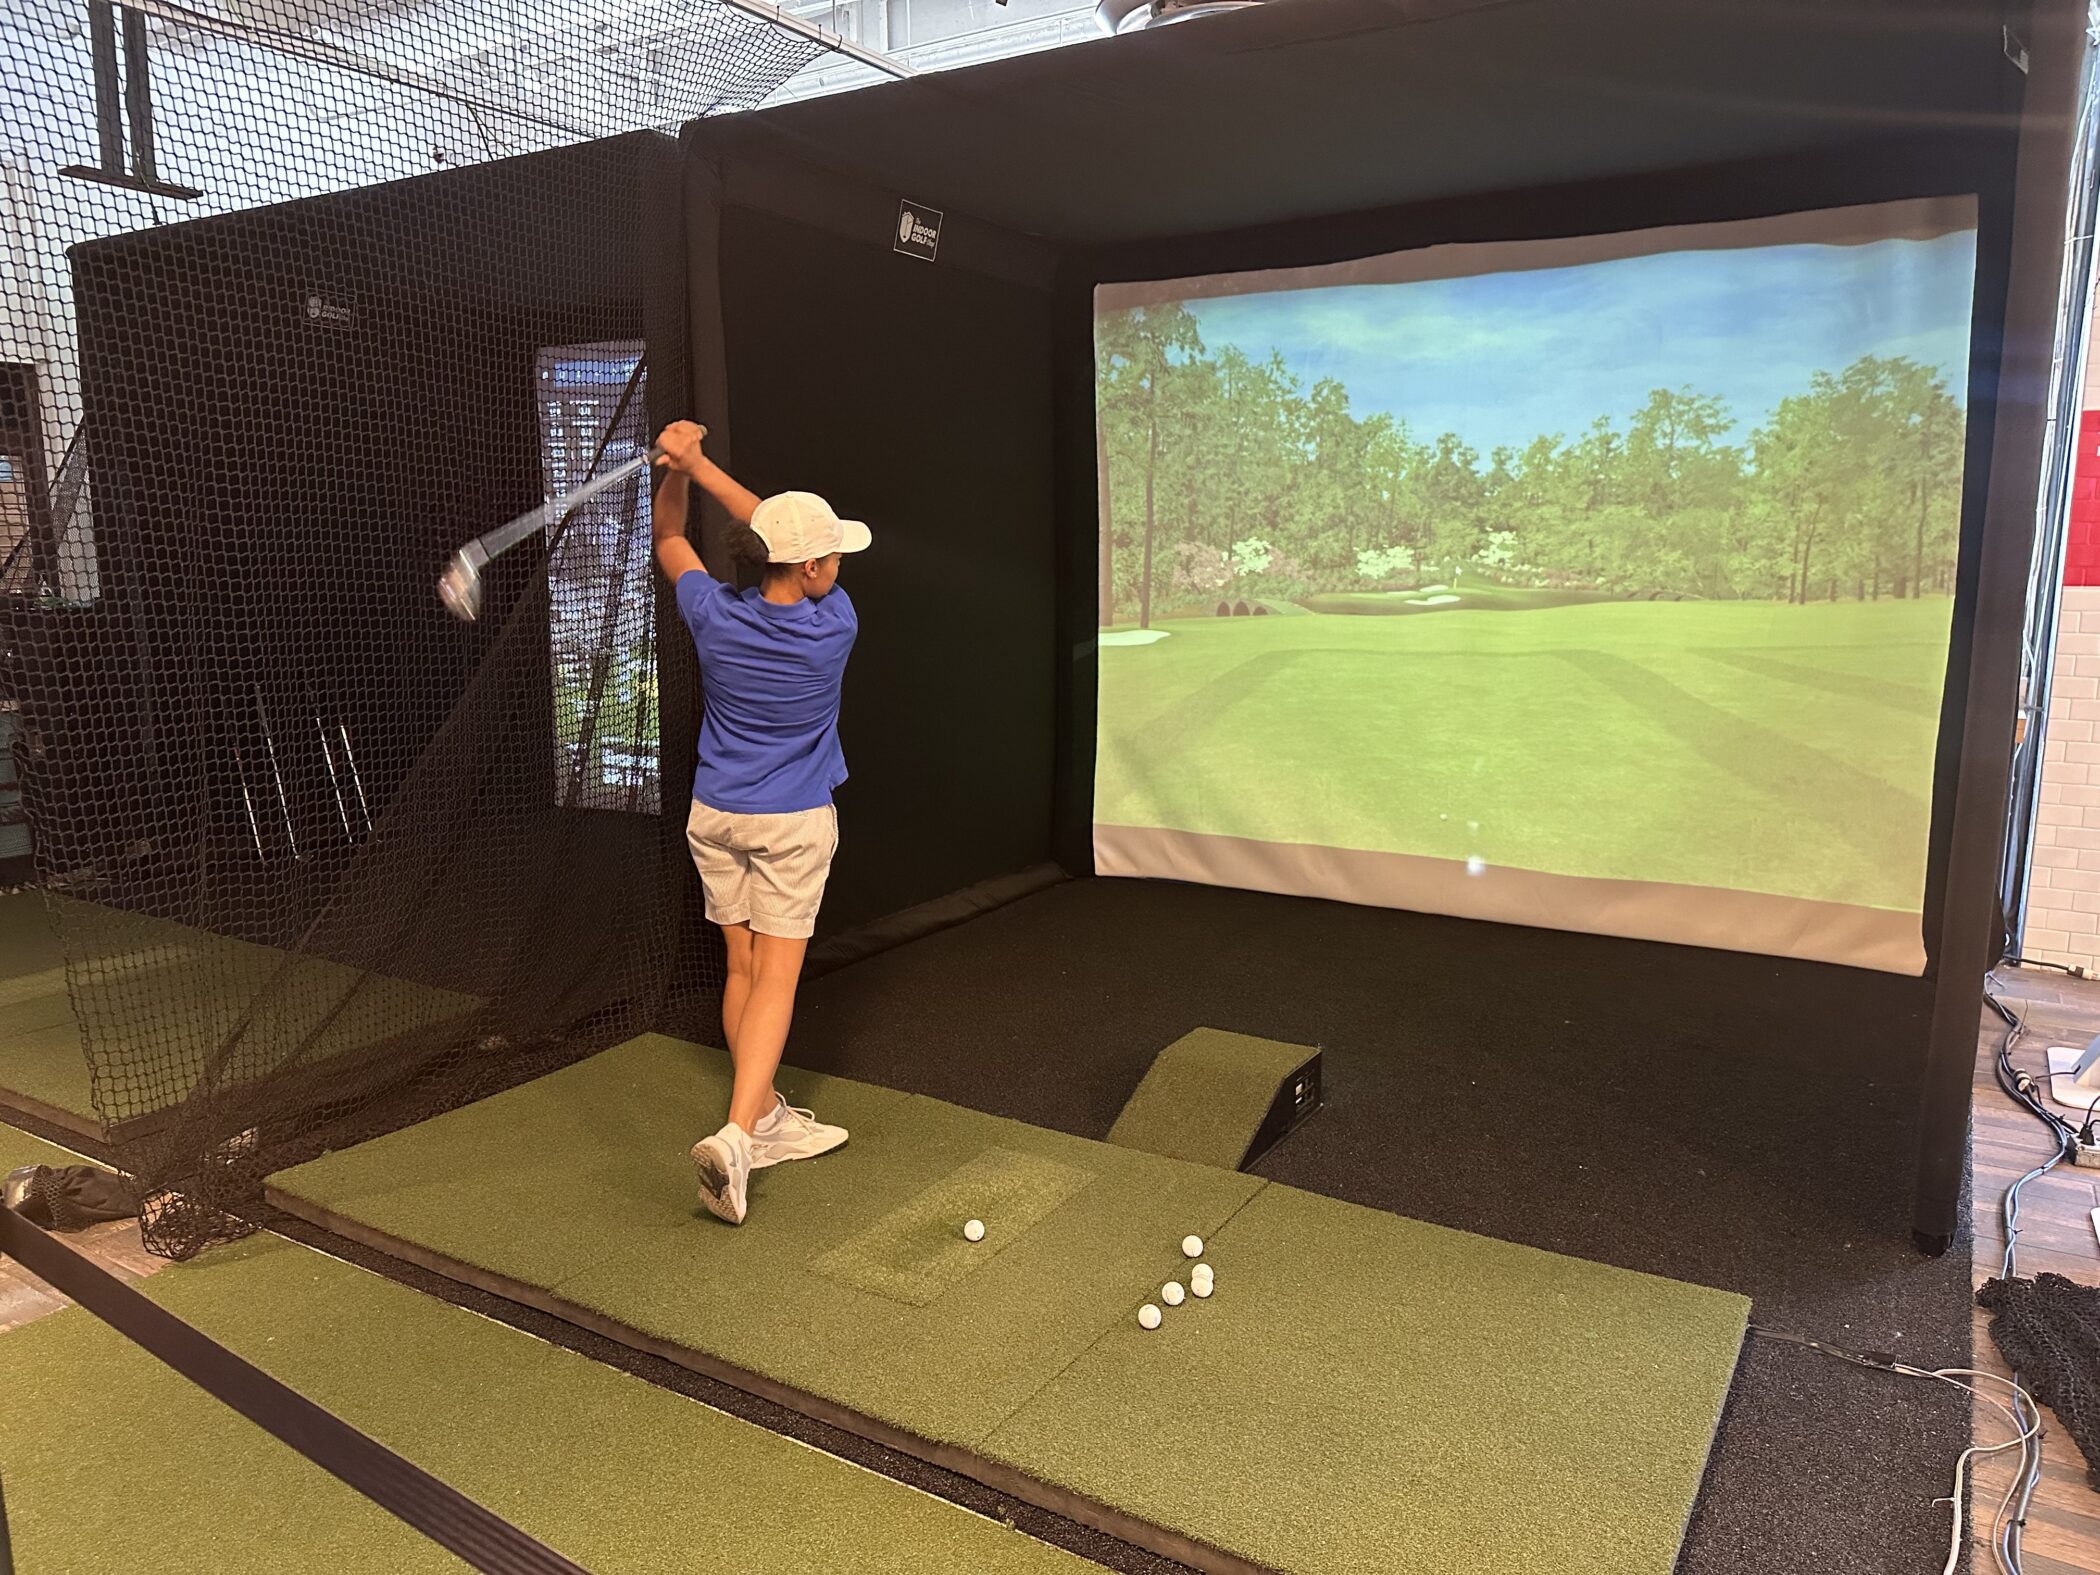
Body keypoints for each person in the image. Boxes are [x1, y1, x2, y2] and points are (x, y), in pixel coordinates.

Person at [650, 419, 871, 1225]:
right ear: (811, 567)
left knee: (741, 969)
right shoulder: (834, 621)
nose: (840, 564)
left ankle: (768, 1112)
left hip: (716, 816)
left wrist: (681, 468)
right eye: (833, 553)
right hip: (791, 824)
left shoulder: (712, 610)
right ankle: (740, 1137)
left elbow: (669, 533)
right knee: (775, 978)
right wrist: (701, 463)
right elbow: (767, 529)